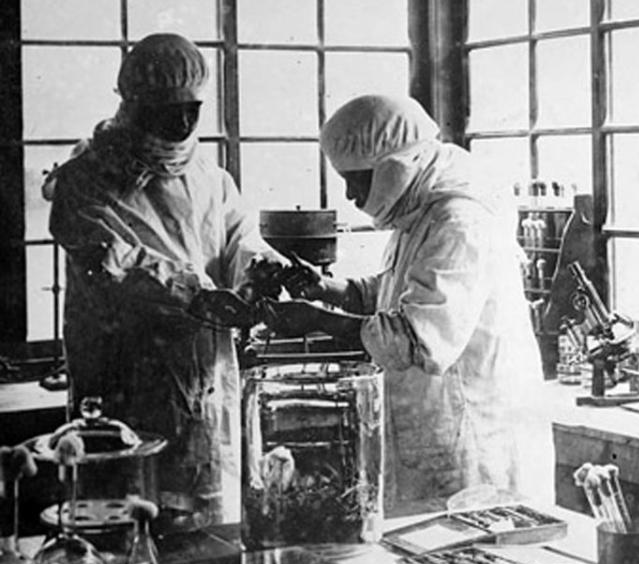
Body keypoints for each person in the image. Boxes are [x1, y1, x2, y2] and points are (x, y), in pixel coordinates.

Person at [45, 33, 287, 528]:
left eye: (192, 110)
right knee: (129, 524)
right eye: (166, 111)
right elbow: (117, 264)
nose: (181, 123)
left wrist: (258, 270)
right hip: (124, 385)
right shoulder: (85, 181)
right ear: (134, 104)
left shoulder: (209, 179)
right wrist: (196, 295)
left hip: (208, 377)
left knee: (207, 531)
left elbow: (239, 239)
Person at [266, 94, 552, 512]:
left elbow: (418, 336)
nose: (349, 195)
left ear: (392, 169)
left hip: (475, 446)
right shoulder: (421, 211)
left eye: (355, 180)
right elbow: (396, 293)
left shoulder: (460, 221)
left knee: (466, 556)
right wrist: (329, 289)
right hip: (439, 430)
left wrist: (316, 320)